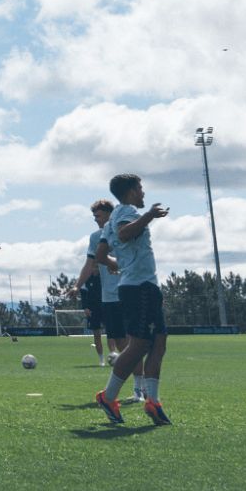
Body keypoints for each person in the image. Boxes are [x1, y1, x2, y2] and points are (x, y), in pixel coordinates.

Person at [95, 174, 172, 426]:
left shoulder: (110, 221)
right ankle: (108, 397)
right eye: (140, 188)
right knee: (139, 345)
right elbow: (124, 234)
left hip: (141, 285)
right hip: (139, 287)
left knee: (159, 342)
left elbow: (101, 254)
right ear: (130, 191)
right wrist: (149, 215)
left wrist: (119, 265)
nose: (143, 193)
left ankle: (153, 401)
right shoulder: (127, 211)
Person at [73, 199, 144, 400]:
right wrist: (77, 286)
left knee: (132, 343)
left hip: (128, 293)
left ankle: (139, 389)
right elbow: (89, 264)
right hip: (108, 298)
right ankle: (139, 387)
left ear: (109, 215)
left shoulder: (125, 232)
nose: (96, 219)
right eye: (94, 216)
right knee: (122, 345)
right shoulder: (95, 237)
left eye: (98, 216)